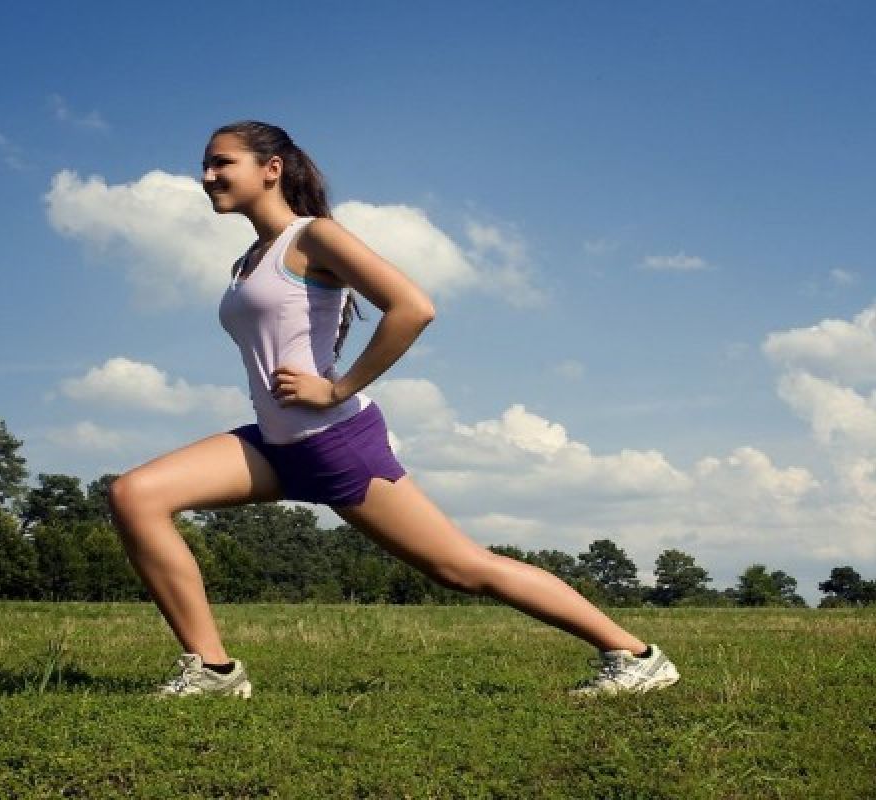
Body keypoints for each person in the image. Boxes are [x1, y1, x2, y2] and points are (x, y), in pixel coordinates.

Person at [107, 119, 680, 698]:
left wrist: (336, 387)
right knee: (136, 494)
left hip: (335, 440)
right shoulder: (249, 259)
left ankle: (635, 655)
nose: (207, 176)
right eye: (205, 164)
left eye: (222, 162)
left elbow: (412, 306)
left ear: (270, 169)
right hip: (275, 444)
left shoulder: (315, 238)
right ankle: (213, 670)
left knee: (459, 567)